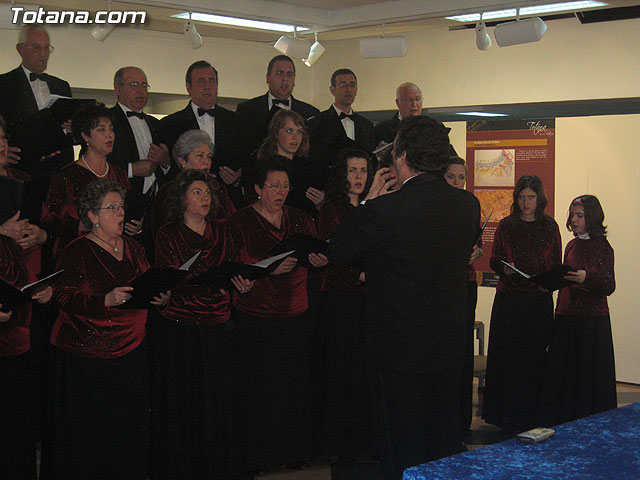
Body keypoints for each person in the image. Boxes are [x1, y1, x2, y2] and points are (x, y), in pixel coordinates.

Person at [327, 116, 480, 480]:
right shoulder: (467, 206)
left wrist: (367, 202)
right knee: (443, 437)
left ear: (403, 156)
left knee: (402, 443)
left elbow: (338, 252)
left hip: (397, 346)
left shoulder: (385, 210)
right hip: (447, 341)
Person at [41, 179, 168, 479]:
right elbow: (62, 295)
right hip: (86, 356)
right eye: (112, 208)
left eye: (121, 207)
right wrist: (104, 300)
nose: (120, 213)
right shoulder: (77, 251)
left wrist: (161, 297)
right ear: (93, 216)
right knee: (90, 432)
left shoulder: (135, 247)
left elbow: (146, 285)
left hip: (131, 352)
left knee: (128, 428)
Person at [149, 169, 252, 480]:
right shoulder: (168, 234)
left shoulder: (224, 231)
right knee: (185, 401)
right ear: (181, 199)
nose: (205, 198)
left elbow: (234, 266)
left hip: (219, 325)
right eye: (197, 192)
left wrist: (241, 283)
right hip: (181, 327)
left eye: (208, 193)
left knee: (218, 400)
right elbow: (169, 277)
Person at [228, 156, 327, 476]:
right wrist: (268, 266)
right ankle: (257, 455)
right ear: (257, 188)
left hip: (294, 311)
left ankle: (294, 451)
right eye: (273, 186)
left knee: (293, 386)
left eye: (285, 186)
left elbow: (314, 253)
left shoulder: (299, 218)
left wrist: (316, 259)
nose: (280, 192)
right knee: (258, 388)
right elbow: (234, 261)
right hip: (255, 312)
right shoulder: (239, 220)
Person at [482, 174, 562, 433]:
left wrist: (547, 281)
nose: (526, 202)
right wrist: (506, 269)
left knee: (535, 358)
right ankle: (505, 413)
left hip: (538, 299)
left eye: (531, 197)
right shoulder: (507, 225)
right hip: (510, 299)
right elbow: (494, 260)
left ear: (539, 199)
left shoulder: (550, 226)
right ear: (516, 199)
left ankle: (534, 412)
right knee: (509, 357)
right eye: (522, 197)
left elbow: (556, 265)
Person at [314, 148, 376, 463]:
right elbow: (333, 254)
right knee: (341, 369)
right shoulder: (331, 209)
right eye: (353, 170)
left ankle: (365, 438)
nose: (358, 177)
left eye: (363, 171)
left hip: (369, 298)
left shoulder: (377, 207)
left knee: (366, 369)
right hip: (340, 297)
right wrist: (360, 271)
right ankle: (339, 442)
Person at [539, 195, 616, 425]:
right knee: (564, 373)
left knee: (586, 375)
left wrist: (586, 278)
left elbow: (609, 284)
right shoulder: (572, 244)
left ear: (591, 217)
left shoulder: (602, 246)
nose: (574, 219)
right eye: (572, 215)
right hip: (566, 316)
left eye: (579, 215)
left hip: (590, 320)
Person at [41, 103, 140, 259]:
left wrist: (134, 226)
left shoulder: (119, 174)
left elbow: (126, 211)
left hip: (114, 250)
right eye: (101, 130)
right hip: (78, 254)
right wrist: (90, 224)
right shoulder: (67, 175)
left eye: (111, 129)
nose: (109, 135)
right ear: (85, 136)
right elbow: (50, 222)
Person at [0, 205, 52, 480]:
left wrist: (39, 289)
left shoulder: (12, 244)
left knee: (17, 423)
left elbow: (22, 276)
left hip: (19, 340)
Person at [159, 61, 244, 205]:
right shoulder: (170, 124)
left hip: (227, 201)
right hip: (186, 202)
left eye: (212, 81)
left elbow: (245, 161)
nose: (207, 86)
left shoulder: (236, 121)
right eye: (201, 81)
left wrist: (238, 178)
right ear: (188, 87)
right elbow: (168, 170)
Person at [0, 24, 73, 176]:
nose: (43, 54)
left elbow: (72, 131)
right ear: (20, 49)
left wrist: (72, 127)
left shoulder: (62, 86)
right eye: (36, 47)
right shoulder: (4, 84)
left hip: (60, 169)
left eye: (47, 48)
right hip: (22, 168)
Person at [443, 157, 483, 432]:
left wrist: (477, 251)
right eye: (452, 177)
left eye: (461, 178)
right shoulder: (436, 207)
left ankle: (462, 418)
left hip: (466, 283)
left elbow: (477, 243)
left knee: (464, 350)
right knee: (445, 350)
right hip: (443, 286)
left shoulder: (471, 204)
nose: (457, 183)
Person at [149, 130, 236, 240]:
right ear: (182, 161)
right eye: (200, 156)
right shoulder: (168, 191)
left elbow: (234, 223)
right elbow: (160, 233)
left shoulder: (218, 189)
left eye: (209, 156)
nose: (206, 162)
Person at [236, 54, 319, 155]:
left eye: (289, 74)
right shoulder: (247, 110)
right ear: (268, 78)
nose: (285, 79)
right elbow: (241, 147)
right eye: (279, 73)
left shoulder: (310, 112)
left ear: (294, 80)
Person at [108, 66, 170, 194]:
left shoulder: (156, 124)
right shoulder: (106, 121)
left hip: (156, 201)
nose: (140, 91)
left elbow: (169, 169)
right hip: (122, 200)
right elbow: (94, 163)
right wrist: (131, 170)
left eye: (144, 85)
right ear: (118, 89)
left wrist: (164, 161)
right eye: (134, 85)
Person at [253, 109, 327, 213]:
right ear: (276, 133)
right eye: (289, 131)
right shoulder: (261, 165)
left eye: (299, 132)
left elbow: (312, 211)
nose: (295, 137)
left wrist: (320, 204)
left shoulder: (310, 170)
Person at [308, 68, 376, 170]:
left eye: (352, 85)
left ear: (356, 90)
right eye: (343, 85)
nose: (348, 89)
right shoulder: (317, 123)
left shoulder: (367, 126)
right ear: (333, 90)